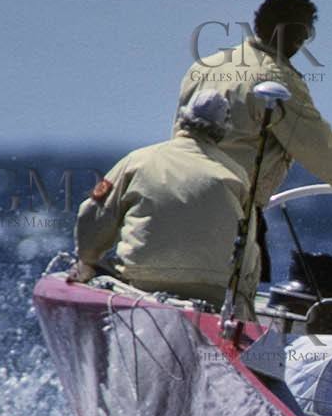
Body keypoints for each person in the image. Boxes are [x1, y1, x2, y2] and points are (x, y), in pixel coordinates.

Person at [177, 0, 332, 241]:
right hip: (229, 214)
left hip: (178, 198)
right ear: (296, 34)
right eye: (305, 33)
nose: (304, 41)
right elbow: (320, 150)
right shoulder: (276, 79)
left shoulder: (204, 66)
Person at [74, 91, 259, 314]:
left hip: (142, 282)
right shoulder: (236, 175)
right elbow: (248, 247)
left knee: (93, 271)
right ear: (223, 129)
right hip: (212, 292)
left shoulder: (138, 161)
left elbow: (94, 216)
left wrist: (87, 261)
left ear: (181, 119)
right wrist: (244, 294)